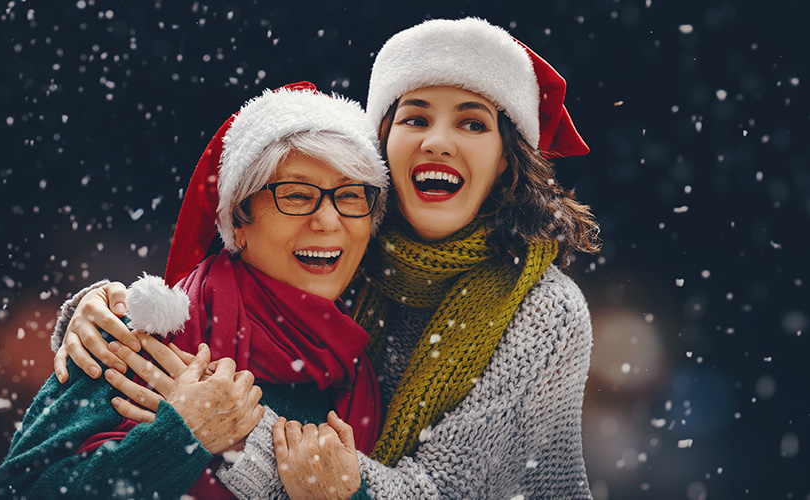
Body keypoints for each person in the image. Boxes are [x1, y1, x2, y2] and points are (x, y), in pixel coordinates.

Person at [52, 17, 600, 499]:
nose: (437, 140)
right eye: (414, 118)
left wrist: (238, 432)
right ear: (383, 147)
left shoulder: (545, 310)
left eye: (472, 122)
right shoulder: (351, 254)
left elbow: (443, 490)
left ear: (507, 160)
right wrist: (103, 312)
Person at [0, 82, 390, 500]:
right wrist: (181, 437)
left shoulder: (367, 374)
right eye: (297, 195)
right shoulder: (132, 340)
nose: (327, 220)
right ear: (239, 221)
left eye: (351, 196)